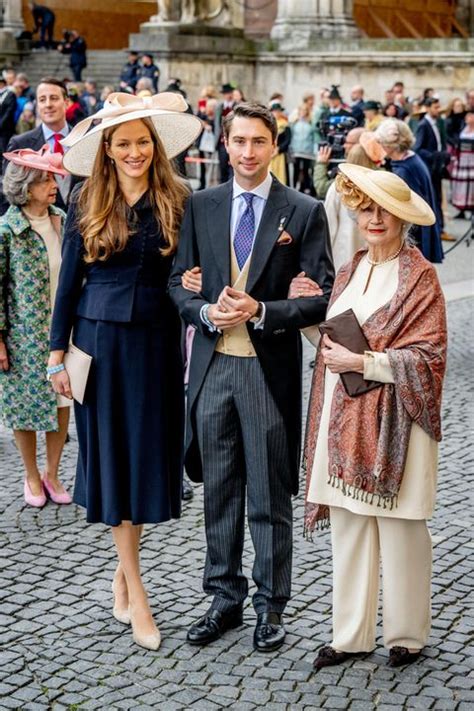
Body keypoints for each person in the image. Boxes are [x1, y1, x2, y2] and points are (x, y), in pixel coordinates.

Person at [168, 102, 334, 653]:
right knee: (219, 491)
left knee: (267, 493)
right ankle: (224, 598)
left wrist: (263, 310)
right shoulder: (202, 204)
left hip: (267, 372)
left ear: (274, 145)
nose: (246, 152)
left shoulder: (304, 211)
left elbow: (323, 298)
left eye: (258, 142)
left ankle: (271, 605)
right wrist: (202, 312)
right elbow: (178, 284)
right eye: (238, 141)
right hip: (212, 369)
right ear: (224, 143)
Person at [47, 92, 201, 651]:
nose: (134, 152)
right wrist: (54, 355)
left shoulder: (178, 198)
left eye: (142, 142)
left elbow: (197, 270)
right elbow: (66, 285)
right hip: (98, 343)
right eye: (123, 143)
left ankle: (122, 573)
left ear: (154, 147)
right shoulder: (86, 198)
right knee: (112, 460)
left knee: (145, 460)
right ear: (106, 150)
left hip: (158, 345)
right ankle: (138, 593)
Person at [303, 164, 447, 671]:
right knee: (350, 527)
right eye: (365, 207)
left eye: (383, 209)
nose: (373, 217)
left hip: (399, 424)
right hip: (345, 420)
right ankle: (350, 635)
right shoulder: (350, 269)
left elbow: (429, 357)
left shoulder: (421, 275)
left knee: (403, 530)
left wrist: (366, 363)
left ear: (403, 216)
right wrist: (310, 322)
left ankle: (407, 635)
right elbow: (334, 345)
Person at [0, 146, 72, 507]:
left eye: (52, 178)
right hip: (23, 335)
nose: (52, 184)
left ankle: (52, 473)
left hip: (63, 332)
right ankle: (31, 475)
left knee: (62, 401)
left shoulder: (62, 219)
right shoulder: (7, 230)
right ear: (25, 187)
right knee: (23, 408)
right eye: (44, 179)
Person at [375, 118, 443, 263]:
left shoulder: (405, 171)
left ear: (390, 146)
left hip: (415, 234)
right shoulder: (411, 159)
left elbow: (408, 210)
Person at [5, 78, 75, 214]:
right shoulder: (20, 144)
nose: (48, 104)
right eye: (42, 100)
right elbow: (8, 194)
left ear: (66, 103)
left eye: (54, 98)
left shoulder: (84, 140)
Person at [323, 141, 379, 271]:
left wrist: (325, 253)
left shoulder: (338, 187)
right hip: (369, 247)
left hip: (343, 248)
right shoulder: (375, 187)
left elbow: (329, 222)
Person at [414, 97, 454, 241]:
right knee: (433, 199)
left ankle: (439, 229)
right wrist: (434, 155)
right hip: (429, 168)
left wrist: (443, 155)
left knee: (438, 198)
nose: (438, 110)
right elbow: (418, 148)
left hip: (437, 167)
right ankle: (437, 230)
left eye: (438, 107)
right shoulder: (423, 124)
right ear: (428, 107)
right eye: (435, 107)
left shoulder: (437, 123)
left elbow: (440, 143)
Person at [449, 109, 474, 220]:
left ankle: (472, 210)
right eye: (467, 116)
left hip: (472, 160)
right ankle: (461, 210)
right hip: (462, 159)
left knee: (471, 186)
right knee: (461, 185)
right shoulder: (463, 129)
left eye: (470, 116)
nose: (468, 118)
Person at [290, 102, 316, 194]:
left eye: (305, 110)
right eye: (301, 110)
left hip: (307, 151)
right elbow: (292, 136)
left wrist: (314, 150)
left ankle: (302, 188)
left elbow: (313, 138)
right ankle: (293, 188)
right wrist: (291, 149)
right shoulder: (294, 123)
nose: (303, 112)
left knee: (305, 170)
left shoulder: (311, 123)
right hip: (296, 150)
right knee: (296, 169)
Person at [214, 83, 236, 184]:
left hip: (234, 141)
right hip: (222, 142)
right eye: (226, 93)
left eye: (230, 93)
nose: (228, 95)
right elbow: (216, 124)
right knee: (222, 166)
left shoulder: (237, 106)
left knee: (233, 166)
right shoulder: (219, 107)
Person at [269, 102, 290, 185]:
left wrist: (279, 149)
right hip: (270, 153)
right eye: (274, 111)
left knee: (282, 173)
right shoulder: (269, 124)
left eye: (278, 111)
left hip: (281, 153)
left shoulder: (285, 124)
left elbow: (287, 140)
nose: (276, 113)